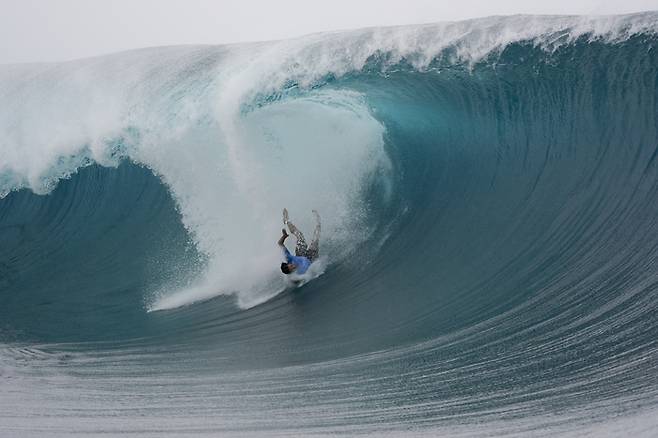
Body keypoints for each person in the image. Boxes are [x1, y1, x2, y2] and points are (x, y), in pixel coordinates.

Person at [279, 208, 320, 275]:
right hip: (311, 258)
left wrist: (284, 236)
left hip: (300, 254)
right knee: (316, 239)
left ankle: (287, 221)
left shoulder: (289, 259)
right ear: (292, 271)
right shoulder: (301, 272)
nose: (293, 265)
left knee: (300, 236)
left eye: (291, 265)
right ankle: (318, 223)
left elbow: (280, 243)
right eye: (292, 268)